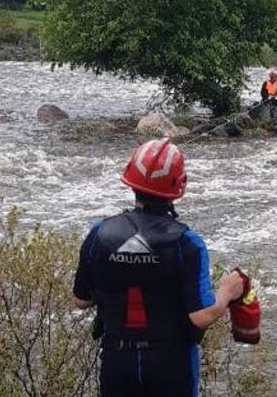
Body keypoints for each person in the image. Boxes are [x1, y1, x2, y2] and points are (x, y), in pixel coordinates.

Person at [72, 138, 244, 397]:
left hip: (117, 360)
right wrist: (228, 291)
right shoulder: (186, 241)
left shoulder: (100, 233)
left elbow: (80, 299)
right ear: (179, 185)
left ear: (130, 179)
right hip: (171, 361)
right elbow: (202, 316)